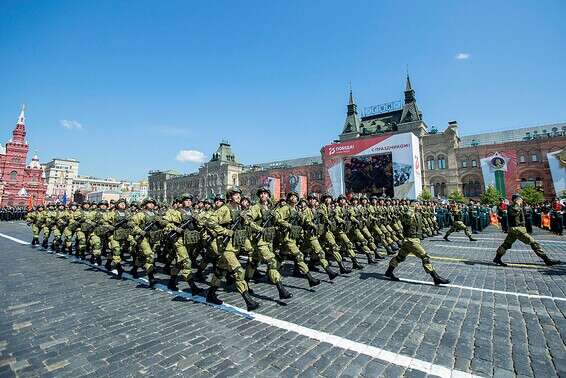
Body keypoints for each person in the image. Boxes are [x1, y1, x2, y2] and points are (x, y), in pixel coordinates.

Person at [385, 200, 450, 285]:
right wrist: (411, 207)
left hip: (413, 240)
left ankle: (389, 272)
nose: (420, 205)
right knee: (424, 257)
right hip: (411, 241)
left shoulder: (417, 214)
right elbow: (407, 217)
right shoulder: (408, 214)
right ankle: (435, 277)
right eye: (417, 204)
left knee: (400, 257)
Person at [493, 194, 561, 267]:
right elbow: (514, 213)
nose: (521, 201)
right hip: (517, 229)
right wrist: (517, 205)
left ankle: (497, 258)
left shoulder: (516, 207)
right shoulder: (512, 207)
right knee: (534, 243)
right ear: (516, 200)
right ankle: (547, 260)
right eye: (520, 199)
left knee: (506, 244)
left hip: (515, 229)